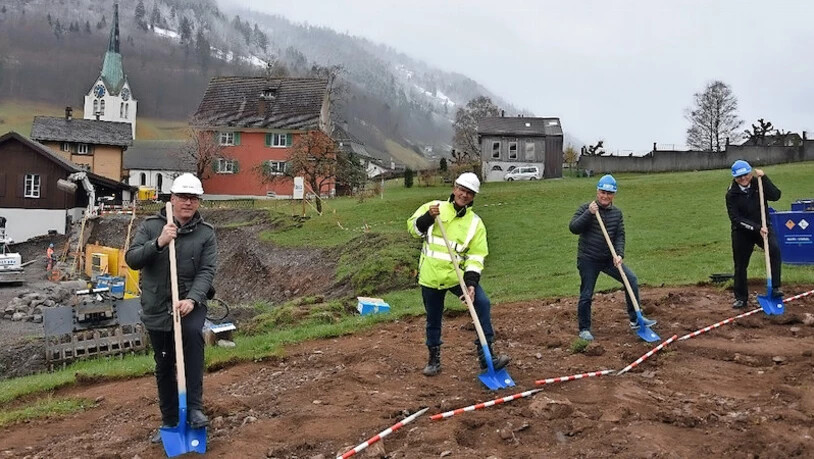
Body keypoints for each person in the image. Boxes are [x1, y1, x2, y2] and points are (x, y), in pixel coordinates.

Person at [125, 173, 217, 443]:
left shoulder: (205, 233)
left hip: (189, 303)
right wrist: (159, 243)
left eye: (193, 198)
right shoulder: (153, 226)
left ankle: (195, 410)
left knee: (191, 340)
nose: (187, 203)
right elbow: (132, 259)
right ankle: (170, 420)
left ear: (198, 201)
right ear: (172, 199)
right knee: (164, 363)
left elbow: (207, 270)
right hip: (156, 304)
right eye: (183, 197)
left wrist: (192, 299)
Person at [407, 172, 509, 376]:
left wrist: (471, 284)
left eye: (469, 193)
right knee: (433, 318)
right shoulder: (434, 207)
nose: (464, 195)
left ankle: (486, 356)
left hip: (458, 277)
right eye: (462, 190)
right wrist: (428, 217)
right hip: (431, 276)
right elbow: (413, 229)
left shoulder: (475, 224)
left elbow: (476, 256)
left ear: (473, 197)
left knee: (482, 303)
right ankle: (433, 359)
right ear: (454, 189)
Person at [568, 174, 656, 341]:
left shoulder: (616, 213)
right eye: (603, 192)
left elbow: (620, 236)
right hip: (588, 259)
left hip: (609, 259)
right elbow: (573, 228)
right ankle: (584, 329)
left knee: (631, 279)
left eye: (609, 193)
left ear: (613, 195)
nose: (605, 196)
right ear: (597, 191)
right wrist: (589, 213)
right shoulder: (586, 208)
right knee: (586, 293)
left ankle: (635, 319)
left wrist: (619, 254)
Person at [726, 160, 782, 308]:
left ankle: (775, 288)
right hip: (742, 231)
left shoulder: (759, 183)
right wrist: (756, 228)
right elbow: (736, 219)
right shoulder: (731, 193)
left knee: (774, 250)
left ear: (750, 173)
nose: (743, 179)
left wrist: (764, 178)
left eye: (745, 175)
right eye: (739, 177)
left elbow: (776, 195)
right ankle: (741, 298)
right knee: (740, 265)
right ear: (734, 177)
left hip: (764, 226)